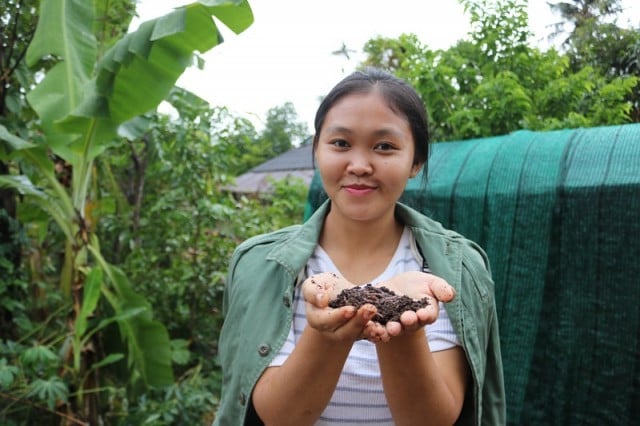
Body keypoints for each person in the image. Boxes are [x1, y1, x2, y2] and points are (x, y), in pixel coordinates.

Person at [214, 68, 505, 425]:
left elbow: (431, 420)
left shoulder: (451, 269)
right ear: (317, 151)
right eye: (341, 144)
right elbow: (279, 417)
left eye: (384, 146)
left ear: (416, 161)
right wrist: (328, 335)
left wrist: (400, 325)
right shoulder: (260, 264)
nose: (359, 165)